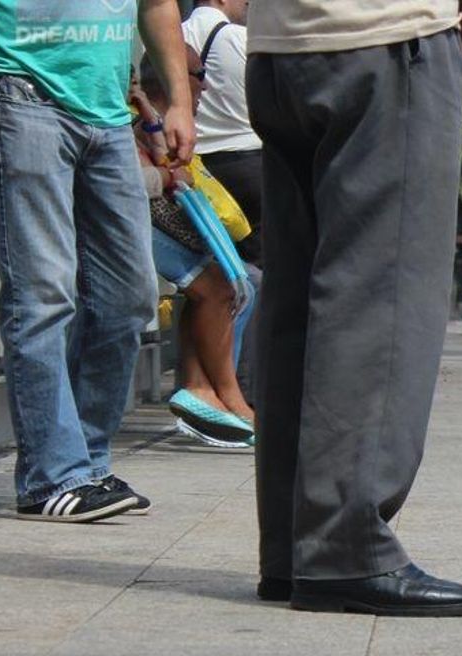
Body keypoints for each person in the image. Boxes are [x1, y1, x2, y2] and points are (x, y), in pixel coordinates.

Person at [246, 0, 462, 616]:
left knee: (298, 304)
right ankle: (344, 548)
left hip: (279, 48)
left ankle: (294, 550)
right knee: (380, 292)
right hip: (385, 37)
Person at [0, 0, 195, 522]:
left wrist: (179, 103)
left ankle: (86, 465)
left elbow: (158, 6)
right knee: (41, 292)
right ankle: (53, 475)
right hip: (24, 99)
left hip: (110, 115)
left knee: (131, 296)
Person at [132, 49, 256, 447]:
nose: (205, 82)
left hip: (146, 219)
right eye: (197, 73)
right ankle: (224, 393)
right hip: (133, 221)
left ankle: (204, 388)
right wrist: (167, 177)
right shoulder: (127, 117)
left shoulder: (153, 117)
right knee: (220, 286)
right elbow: (126, 179)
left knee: (228, 283)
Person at [182, 0, 264, 409]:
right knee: (254, 279)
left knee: (210, 273)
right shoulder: (236, 39)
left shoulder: (176, 36)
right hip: (247, 165)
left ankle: (205, 385)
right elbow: (265, 105)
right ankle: (241, 388)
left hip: (199, 171)